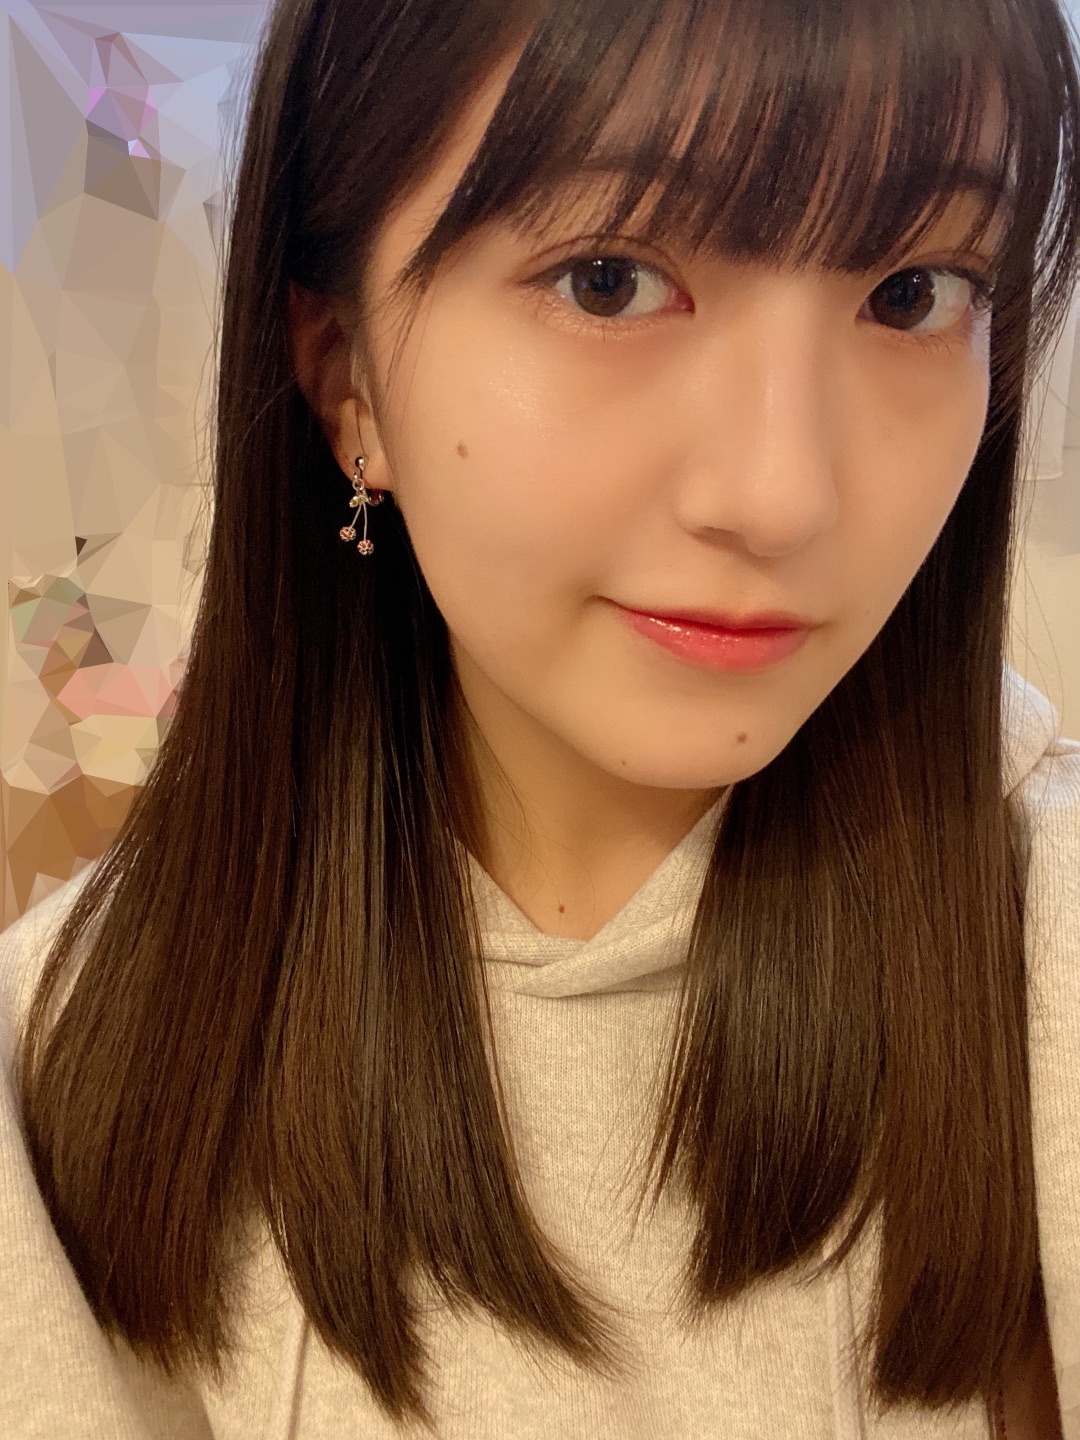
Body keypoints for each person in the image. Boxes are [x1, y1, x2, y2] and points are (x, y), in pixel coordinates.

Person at [2, 0, 1079, 1435]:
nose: (783, 496)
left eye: (911, 294)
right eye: (610, 281)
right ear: (346, 377)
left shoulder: (1046, 938)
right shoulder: (73, 1056)